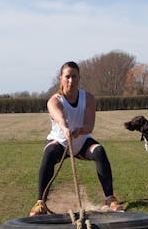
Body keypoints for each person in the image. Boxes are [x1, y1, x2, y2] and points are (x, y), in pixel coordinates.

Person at [30, 61, 124, 216]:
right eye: (67, 77)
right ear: (61, 78)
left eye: (74, 77)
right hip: (60, 142)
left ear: (79, 78)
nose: (71, 81)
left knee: (99, 151)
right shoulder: (54, 100)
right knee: (49, 153)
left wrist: (79, 130)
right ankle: (40, 203)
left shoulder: (88, 98)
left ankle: (109, 198)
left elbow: (89, 126)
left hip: (81, 141)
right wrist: (65, 128)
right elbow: (59, 117)